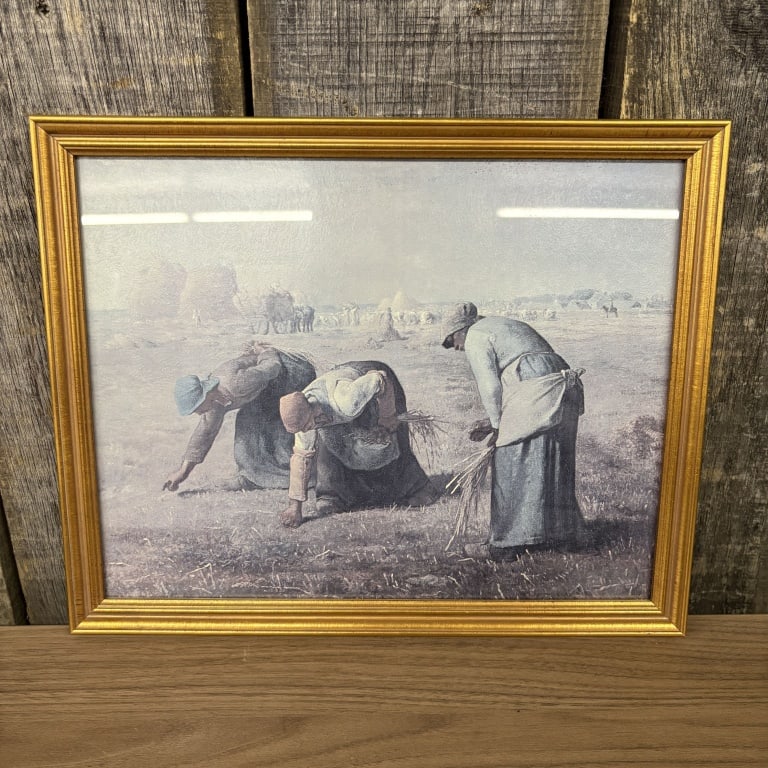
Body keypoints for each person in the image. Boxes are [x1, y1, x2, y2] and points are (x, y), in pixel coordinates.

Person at [442, 302, 586, 558]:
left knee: (510, 460)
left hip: (534, 383)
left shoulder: (476, 335)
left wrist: (498, 428)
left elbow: (491, 387)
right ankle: (562, 536)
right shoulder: (500, 325)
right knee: (552, 458)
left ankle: (505, 546)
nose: (454, 347)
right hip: (560, 385)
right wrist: (493, 422)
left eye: (451, 340)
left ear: (461, 330)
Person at [277, 360, 437, 527]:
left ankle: (420, 488)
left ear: (312, 409)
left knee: (388, 438)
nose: (305, 431)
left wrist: (387, 416)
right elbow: (302, 458)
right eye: (301, 429)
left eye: (306, 425)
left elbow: (379, 379)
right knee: (332, 444)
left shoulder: (345, 400)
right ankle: (333, 497)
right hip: (343, 393)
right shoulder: (304, 419)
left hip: (373, 383)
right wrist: (294, 507)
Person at [163, 342, 316, 492]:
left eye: (196, 408)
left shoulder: (235, 383)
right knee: (246, 422)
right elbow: (204, 433)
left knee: (281, 426)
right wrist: (183, 473)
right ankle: (251, 476)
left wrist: (265, 352)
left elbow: (271, 368)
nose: (198, 413)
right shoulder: (213, 401)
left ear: (204, 396)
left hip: (292, 372)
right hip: (268, 385)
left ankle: (304, 476)